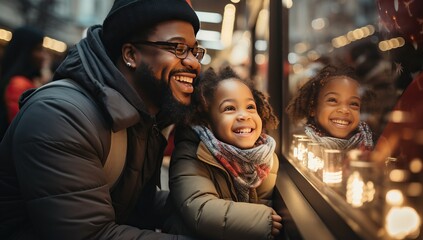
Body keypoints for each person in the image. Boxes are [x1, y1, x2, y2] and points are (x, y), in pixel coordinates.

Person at [0, 0, 205, 239]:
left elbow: (138, 206)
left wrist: (223, 213)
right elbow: (91, 234)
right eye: (177, 48)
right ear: (130, 54)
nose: (193, 62)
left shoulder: (143, 116)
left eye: (194, 50)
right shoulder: (61, 116)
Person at [163, 66, 283, 240]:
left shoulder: (265, 158)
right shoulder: (192, 152)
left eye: (250, 107)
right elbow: (200, 209)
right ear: (208, 120)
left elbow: (264, 203)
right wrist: (260, 220)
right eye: (229, 109)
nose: (244, 115)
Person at [285, 65, 374, 151]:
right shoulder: (296, 145)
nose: (344, 110)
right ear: (312, 108)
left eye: (353, 103)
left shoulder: (373, 146)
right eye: (333, 100)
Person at [0, 25, 51, 139]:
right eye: (38, 49)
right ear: (24, 51)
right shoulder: (19, 84)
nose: (44, 55)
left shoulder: (23, 82)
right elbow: (28, 128)